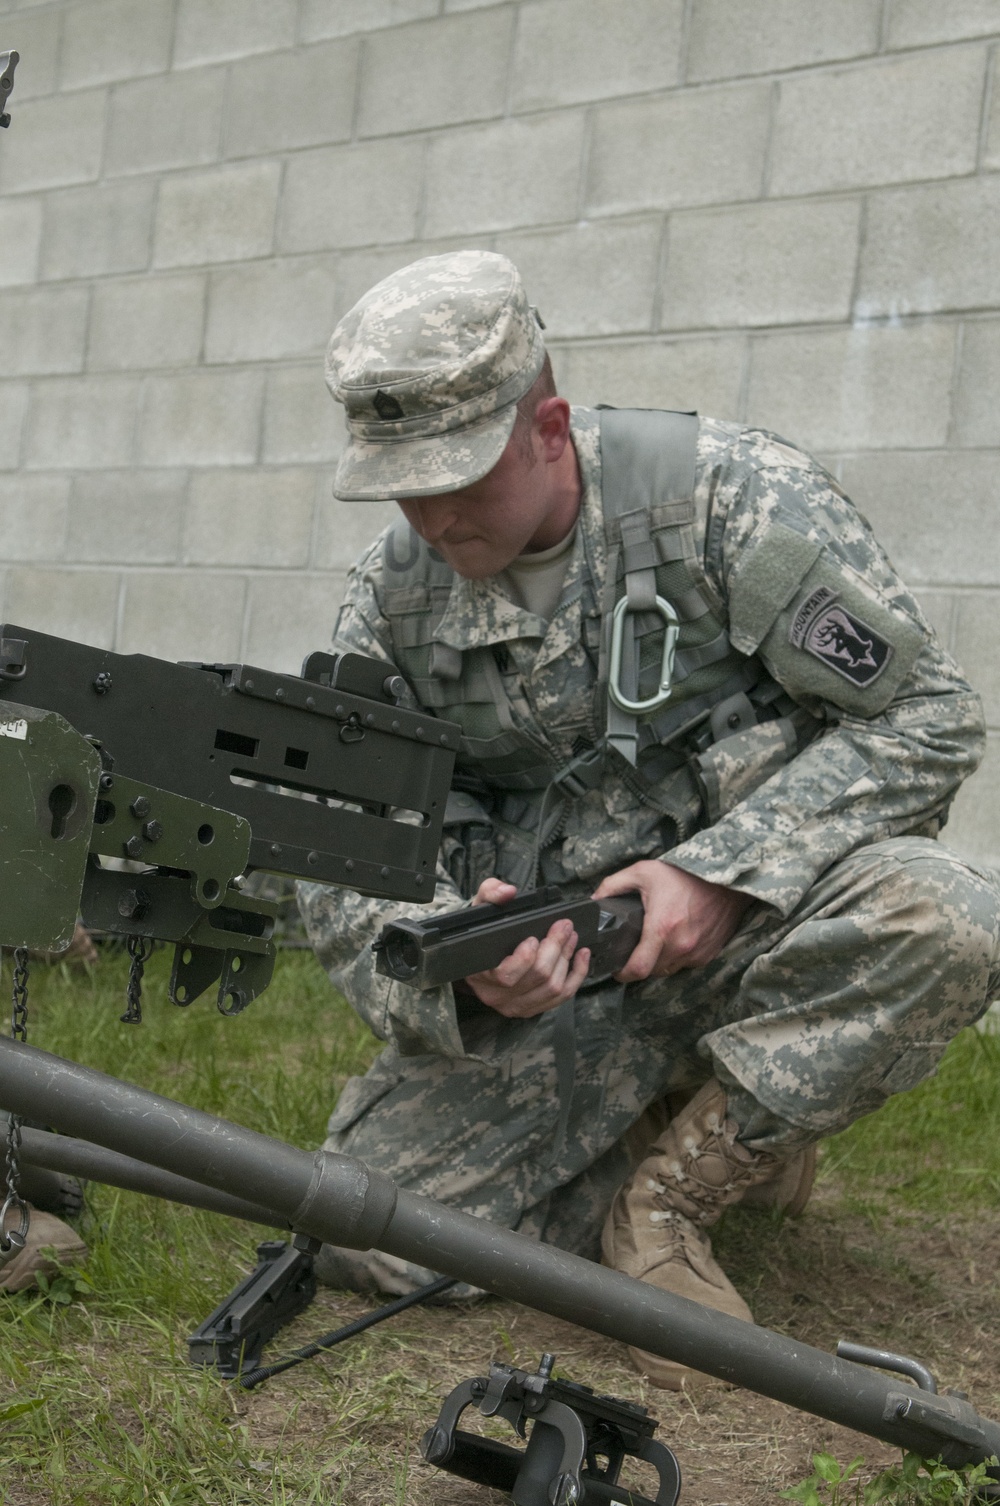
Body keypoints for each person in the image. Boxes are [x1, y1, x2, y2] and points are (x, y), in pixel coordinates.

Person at [296, 250, 1000, 1389]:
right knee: (371, 1238)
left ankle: (675, 1197)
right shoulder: (393, 600)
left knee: (947, 917)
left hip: (755, 930)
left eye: (458, 474)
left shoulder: (726, 503)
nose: (429, 516)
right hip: (565, 981)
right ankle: (669, 1107)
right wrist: (453, 974)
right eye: (401, 485)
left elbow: (927, 717)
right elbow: (334, 840)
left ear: (549, 427)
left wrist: (724, 873)